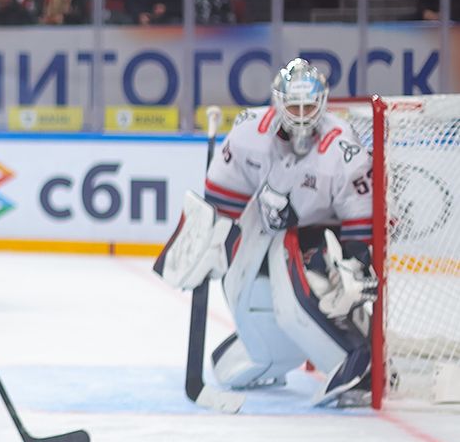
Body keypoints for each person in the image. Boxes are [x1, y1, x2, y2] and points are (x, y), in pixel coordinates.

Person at [156, 59, 375, 406]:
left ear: (322, 103)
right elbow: (221, 203)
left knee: (309, 277)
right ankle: (265, 348)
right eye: (293, 106)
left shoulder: (342, 148)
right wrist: (207, 242)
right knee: (247, 286)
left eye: (308, 106)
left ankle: (357, 357)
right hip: (269, 230)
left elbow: (360, 220)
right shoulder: (248, 132)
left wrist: (355, 262)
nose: (301, 116)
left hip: (322, 235)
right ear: (277, 102)